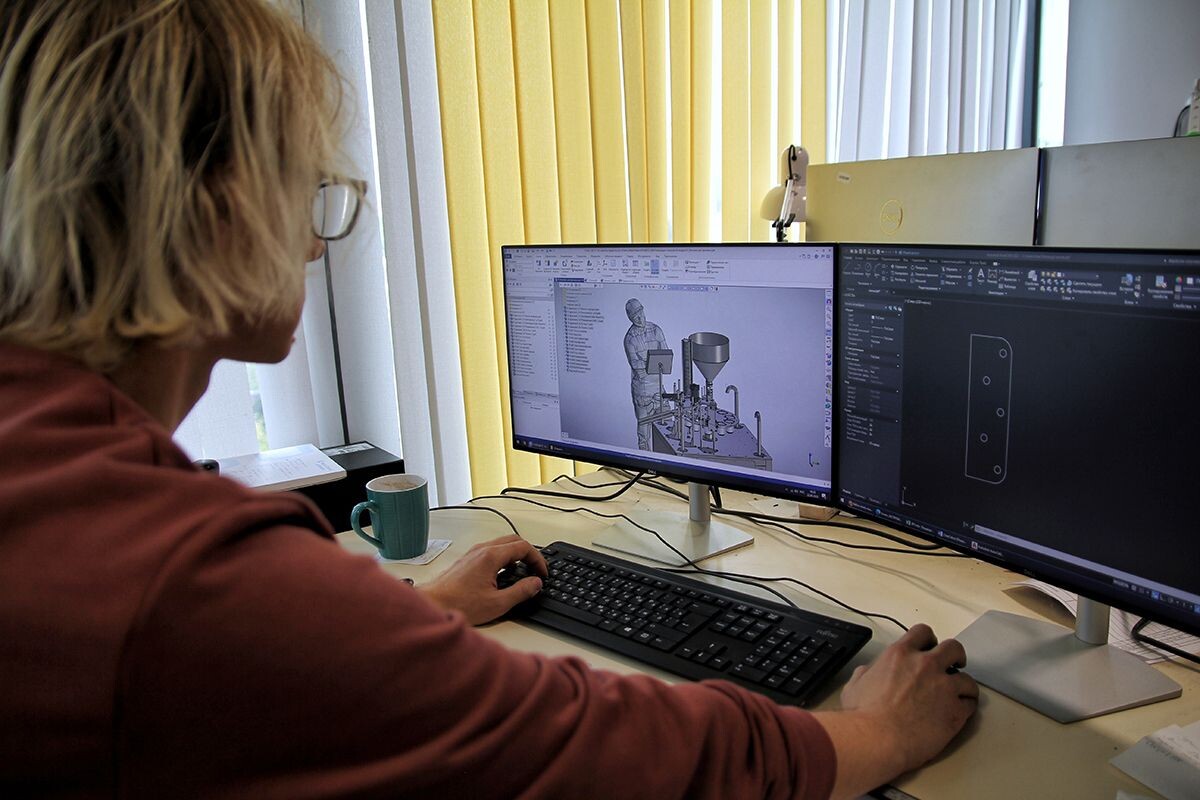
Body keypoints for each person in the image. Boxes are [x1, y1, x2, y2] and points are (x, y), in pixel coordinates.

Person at [0, 2, 978, 797]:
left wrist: (415, 613)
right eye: (304, 189)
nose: (312, 243)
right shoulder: (180, 579)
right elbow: (584, 748)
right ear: (210, 207)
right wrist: (874, 733)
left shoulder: (52, 478)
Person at [623, 298, 670, 450]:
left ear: (643, 309)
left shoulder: (656, 330)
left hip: (659, 390)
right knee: (644, 437)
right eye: (634, 315)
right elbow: (635, 365)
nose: (639, 317)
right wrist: (655, 362)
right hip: (642, 394)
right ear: (630, 318)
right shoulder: (630, 339)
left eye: (640, 312)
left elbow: (666, 357)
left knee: (669, 430)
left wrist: (647, 363)